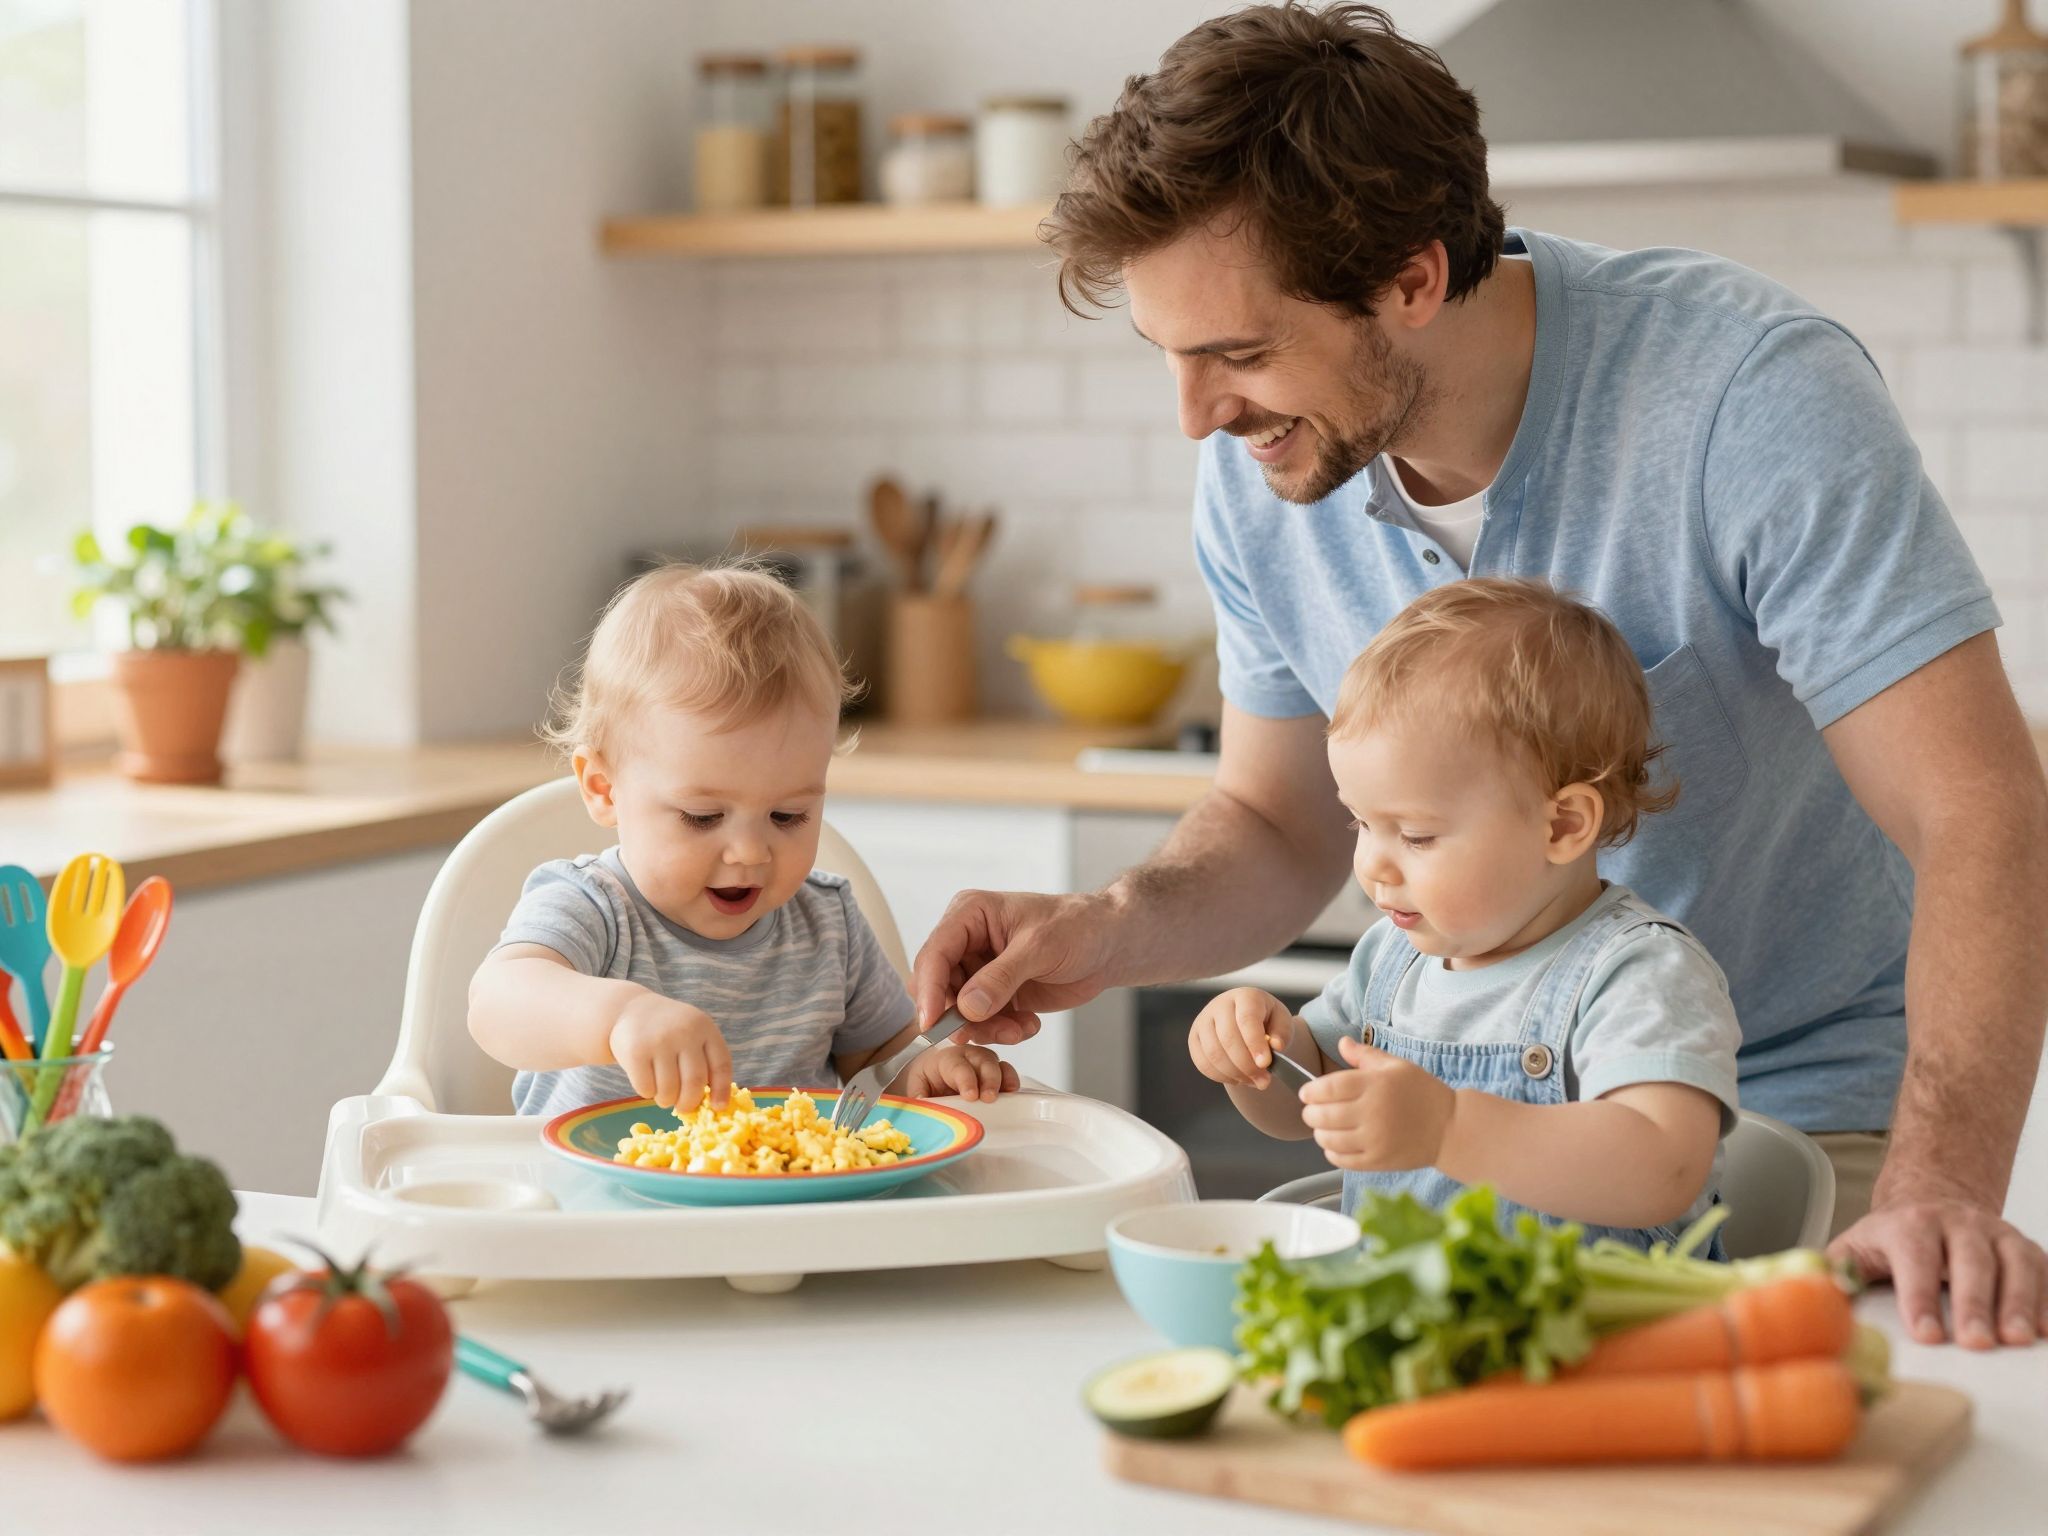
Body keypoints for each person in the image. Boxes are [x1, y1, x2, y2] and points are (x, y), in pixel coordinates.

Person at [914, 3, 2048, 1347]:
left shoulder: (1749, 397)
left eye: (1240, 353)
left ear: (1411, 276)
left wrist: (1940, 1189)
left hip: (1777, 1130)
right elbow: (1280, 826)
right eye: (1170, 354)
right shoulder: (1262, 467)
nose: (1197, 416)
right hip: (1463, 1170)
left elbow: (1978, 808)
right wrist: (1106, 926)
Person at [1194, 579, 1740, 1248]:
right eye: (1362, 823)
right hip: (1420, 1338)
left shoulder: (1641, 973)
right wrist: (1259, 1055)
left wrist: (1449, 1128)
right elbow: (1301, 1111)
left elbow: (1662, 1167)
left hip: (1604, 1341)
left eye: (1416, 835)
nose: (1374, 866)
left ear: (1563, 825)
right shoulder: (1393, 962)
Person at [470, 562, 1017, 1119]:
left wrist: (926, 1070)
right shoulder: (593, 909)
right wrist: (618, 1018)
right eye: (703, 816)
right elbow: (497, 1004)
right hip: (592, 1202)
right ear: (604, 788)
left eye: (788, 815)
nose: (751, 852)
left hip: (787, 1202)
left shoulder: (828, 926)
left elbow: (876, 1061)